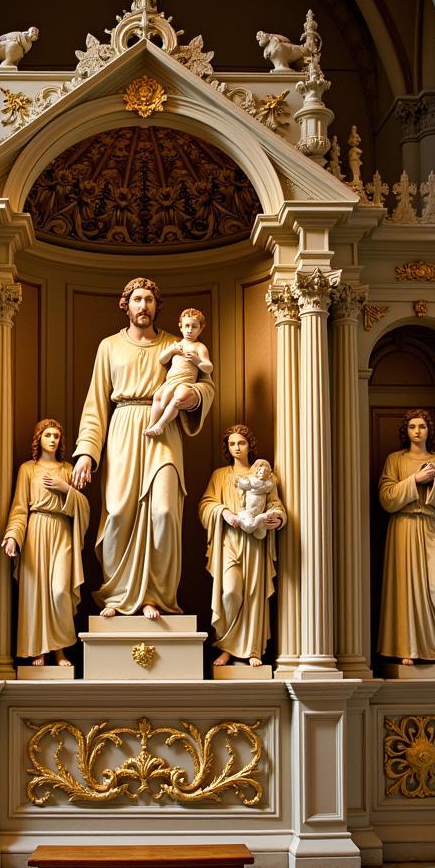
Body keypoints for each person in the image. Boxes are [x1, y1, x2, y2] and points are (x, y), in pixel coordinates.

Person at [72, 277, 214, 618]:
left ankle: (157, 596)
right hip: (122, 428)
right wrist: (87, 452)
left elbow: (207, 385)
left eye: (149, 299)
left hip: (163, 428)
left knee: (164, 512)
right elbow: (95, 404)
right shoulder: (109, 346)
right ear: (126, 304)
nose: (143, 305)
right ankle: (119, 598)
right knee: (119, 513)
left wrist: (194, 396)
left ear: (157, 306)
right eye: (137, 299)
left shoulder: (177, 342)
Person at [2, 419, 89, 667]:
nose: (53, 440)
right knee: (35, 593)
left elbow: (83, 508)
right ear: (39, 438)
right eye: (48, 435)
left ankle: (60, 650)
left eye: (57, 436)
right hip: (36, 531)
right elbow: (20, 508)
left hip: (61, 531)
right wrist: (12, 536)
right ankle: (38, 649)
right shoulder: (28, 469)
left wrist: (66, 489)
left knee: (60, 591)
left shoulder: (67, 470)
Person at [377, 409, 435, 666]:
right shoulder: (395, 460)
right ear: (406, 430)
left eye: (422, 426)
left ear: (429, 430)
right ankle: (406, 648)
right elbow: (387, 497)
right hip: (403, 526)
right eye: (412, 426)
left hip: (432, 526)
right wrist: (415, 479)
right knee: (405, 589)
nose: (417, 431)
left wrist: (433, 483)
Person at [199, 426, 285, 667]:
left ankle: (252, 650)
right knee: (231, 592)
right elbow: (206, 505)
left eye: (241, 443)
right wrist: (223, 512)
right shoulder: (220, 476)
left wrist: (276, 518)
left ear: (250, 445)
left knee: (253, 596)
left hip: (255, 543)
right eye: (232, 444)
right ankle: (226, 645)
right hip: (229, 542)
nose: (236, 448)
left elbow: (277, 505)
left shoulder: (265, 475)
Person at [143, 308, 214, 437]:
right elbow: (162, 359)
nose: (190, 330)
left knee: (177, 400)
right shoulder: (176, 345)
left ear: (200, 329)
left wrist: (198, 361)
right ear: (181, 327)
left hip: (185, 382)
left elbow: (209, 367)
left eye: (194, 327)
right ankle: (151, 424)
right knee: (158, 397)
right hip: (171, 381)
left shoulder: (199, 347)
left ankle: (160, 425)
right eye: (187, 326)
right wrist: (171, 351)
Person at [234, 459, 281, 539]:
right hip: (248, 513)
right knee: (249, 526)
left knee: (261, 534)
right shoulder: (252, 480)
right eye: (261, 472)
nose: (262, 474)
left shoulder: (269, 483)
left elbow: (274, 502)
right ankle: (256, 520)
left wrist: (278, 518)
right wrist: (226, 513)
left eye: (265, 472)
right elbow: (245, 485)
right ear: (257, 471)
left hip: (259, 513)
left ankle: (258, 522)